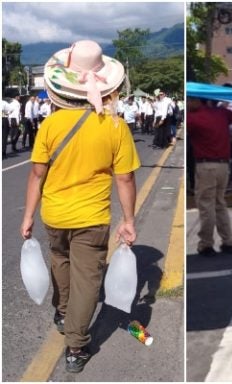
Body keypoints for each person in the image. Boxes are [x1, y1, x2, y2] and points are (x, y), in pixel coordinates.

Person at [20, 40, 139, 373]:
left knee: (60, 259)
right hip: (92, 216)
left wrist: (28, 216)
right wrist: (128, 220)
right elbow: (125, 180)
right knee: (88, 279)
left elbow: (36, 175)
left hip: (54, 214)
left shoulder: (49, 125)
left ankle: (63, 311)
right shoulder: (115, 125)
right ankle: (76, 346)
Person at [187, 96, 232, 256]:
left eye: (190, 99)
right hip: (223, 166)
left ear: (200, 101)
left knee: (206, 206)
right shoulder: (222, 113)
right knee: (220, 204)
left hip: (206, 167)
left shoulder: (194, 118)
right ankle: (228, 242)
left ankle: (206, 244)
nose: (188, 102)